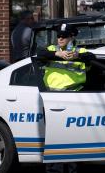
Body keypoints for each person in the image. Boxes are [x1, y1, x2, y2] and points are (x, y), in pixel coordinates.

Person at [35, 24, 95, 173]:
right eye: (59, 35)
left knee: (72, 139)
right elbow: (39, 53)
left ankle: (72, 168)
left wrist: (77, 56)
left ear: (72, 37)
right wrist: (57, 55)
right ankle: (54, 169)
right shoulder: (52, 50)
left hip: (74, 98)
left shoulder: (80, 51)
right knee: (54, 138)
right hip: (52, 100)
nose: (60, 38)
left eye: (64, 36)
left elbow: (92, 57)